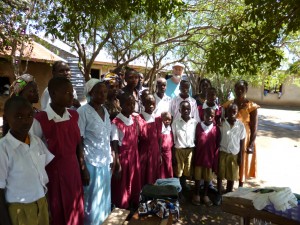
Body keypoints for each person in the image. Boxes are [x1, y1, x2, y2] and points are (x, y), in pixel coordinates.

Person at [32, 77, 90, 225]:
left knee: (75, 208)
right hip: (52, 174)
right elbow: (34, 153)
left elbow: (78, 144)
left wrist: (83, 168)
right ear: (53, 94)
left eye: (72, 92)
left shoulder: (73, 115)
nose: (72, 96)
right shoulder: (40, 120)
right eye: (67, 92)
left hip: (73, 170)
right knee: (57, 211)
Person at [0, 96, 54, 225]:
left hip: (41, 203)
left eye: (30, 116)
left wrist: (46, 206)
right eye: (18, 117)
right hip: (20, 209)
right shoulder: (3, 148)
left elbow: (41, 178)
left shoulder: (36, 141)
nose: (25, 121)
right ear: (6, 118)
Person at [77, 79, 112, 224]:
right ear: (90, 93)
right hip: (91, 163)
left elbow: (107, 137)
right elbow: (78, 141)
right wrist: (83, 167)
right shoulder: (83, 112)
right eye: (99, 92)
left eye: (104, 92)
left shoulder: (105, 110)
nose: (103, 95)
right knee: (91, 200)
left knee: (103, 198)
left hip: (104, 161)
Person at [222, 80, 260, 187]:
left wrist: (251, 144)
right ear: (234, 90)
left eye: (242, 89)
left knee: (242, 161)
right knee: (232, 159)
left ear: (246, 90)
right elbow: (223, 121)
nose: (239, 91)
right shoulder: (228, 105)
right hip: (231, 137)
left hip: (245, 138)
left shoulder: (251, 106)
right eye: (237, 88)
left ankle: (240, 186)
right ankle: (229, 185)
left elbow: (254, 127)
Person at [111, 93, 141, 209]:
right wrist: (117, 163)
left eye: (133, 104)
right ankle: (123, 206)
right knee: (123, 183)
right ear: (121, 105)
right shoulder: (116, 123)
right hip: (123, 157)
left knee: (134, 180)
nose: (131, 107)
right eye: (128, 104)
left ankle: (133, 202)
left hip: (134, 156)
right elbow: (114, 145)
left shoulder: (134, 119)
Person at [193, 108, 221, 207]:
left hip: (209, 159)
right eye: (207, 115)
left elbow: (217, 145)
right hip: (198, 158)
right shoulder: (198, 126)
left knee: (207, 179)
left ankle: (205, 195)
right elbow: (195, 141)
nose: (209, 117)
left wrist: (215, 160)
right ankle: (196, 194)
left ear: (214, 117)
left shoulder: (216, 129)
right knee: (197, 177)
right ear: (203, 115)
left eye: (212, 116)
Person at [217, 103, 246, 194]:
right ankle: (219, 190)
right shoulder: (222, 123)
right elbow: (218, 137)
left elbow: (242, 140)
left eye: (234, 111)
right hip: (223, 152)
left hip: (234, 153)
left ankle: (229, 191)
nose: (232, 113)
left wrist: (240, 155)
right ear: (226, 112)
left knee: (232, 174)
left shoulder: (240, 125)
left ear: (237, 112)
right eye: (230, 111)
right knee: (220, 173)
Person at [172, 101, 198, 191]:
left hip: (190, 150)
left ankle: (183, 185)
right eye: (184, 109)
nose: (186, 111)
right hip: (179, 150)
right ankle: (178, 189)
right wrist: (173, 154)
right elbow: (173, 139)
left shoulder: (194, 123)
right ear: (179, 110)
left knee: (187, 170)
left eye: (188, 109)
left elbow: (196, 138)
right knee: (178, 171)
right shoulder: (175, 123)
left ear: (191, 110)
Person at [139, 94, 160, 186]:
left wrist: (159, 153)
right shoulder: (139, 118)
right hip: (143, 151)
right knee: (143, 173)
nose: (151, 106)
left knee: (153, 174)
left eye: (153, 103)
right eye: (148, 103)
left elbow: (159, 137)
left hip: (155, 151)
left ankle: (151, 196)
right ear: (143, 104)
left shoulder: (157, 118)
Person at [156, 111, 174, 179]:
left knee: (168, 167)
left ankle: (169, 182)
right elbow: (159, 143)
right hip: (162, 153)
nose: (167, 121)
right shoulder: (160, 130)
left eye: (169, 120)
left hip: (168, 153)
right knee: (161, 169)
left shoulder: (170, 129)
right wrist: (159, 154)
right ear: (162, 120)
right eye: (165, 119)